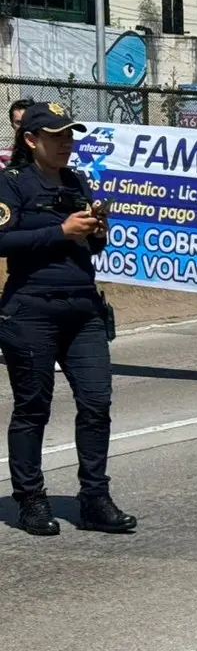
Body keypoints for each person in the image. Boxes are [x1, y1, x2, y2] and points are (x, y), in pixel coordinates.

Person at [0, 101, 136, 535]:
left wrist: (97, 231)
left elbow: (90, 248)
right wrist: (60, 231)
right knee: (33, 407)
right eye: (57, 136)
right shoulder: (12, 184)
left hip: (83, 310)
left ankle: (94, 498)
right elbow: (3, 241)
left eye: (70, 135)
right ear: (31, 140)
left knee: (97, 403)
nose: (66, 143)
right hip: (30, 310)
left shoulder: (78, 181)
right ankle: (31, 500)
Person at [0, 99, 33, 169]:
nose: (24, 126)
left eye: (28, 121)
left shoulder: (50, 155)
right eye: (19, 123)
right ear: (12, 125)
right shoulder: (3, 158)